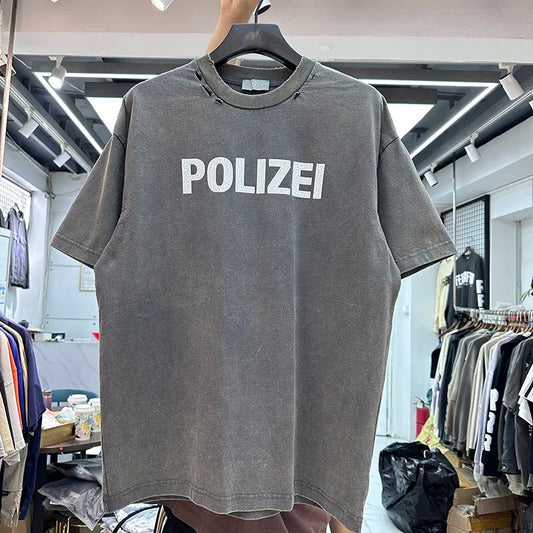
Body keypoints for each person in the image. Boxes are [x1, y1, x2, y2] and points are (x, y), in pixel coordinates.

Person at [161, 1, 353, 531]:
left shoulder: (351, 119)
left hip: (284, 496)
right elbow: (191, 122)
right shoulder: (166, 119)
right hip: (199, 494)